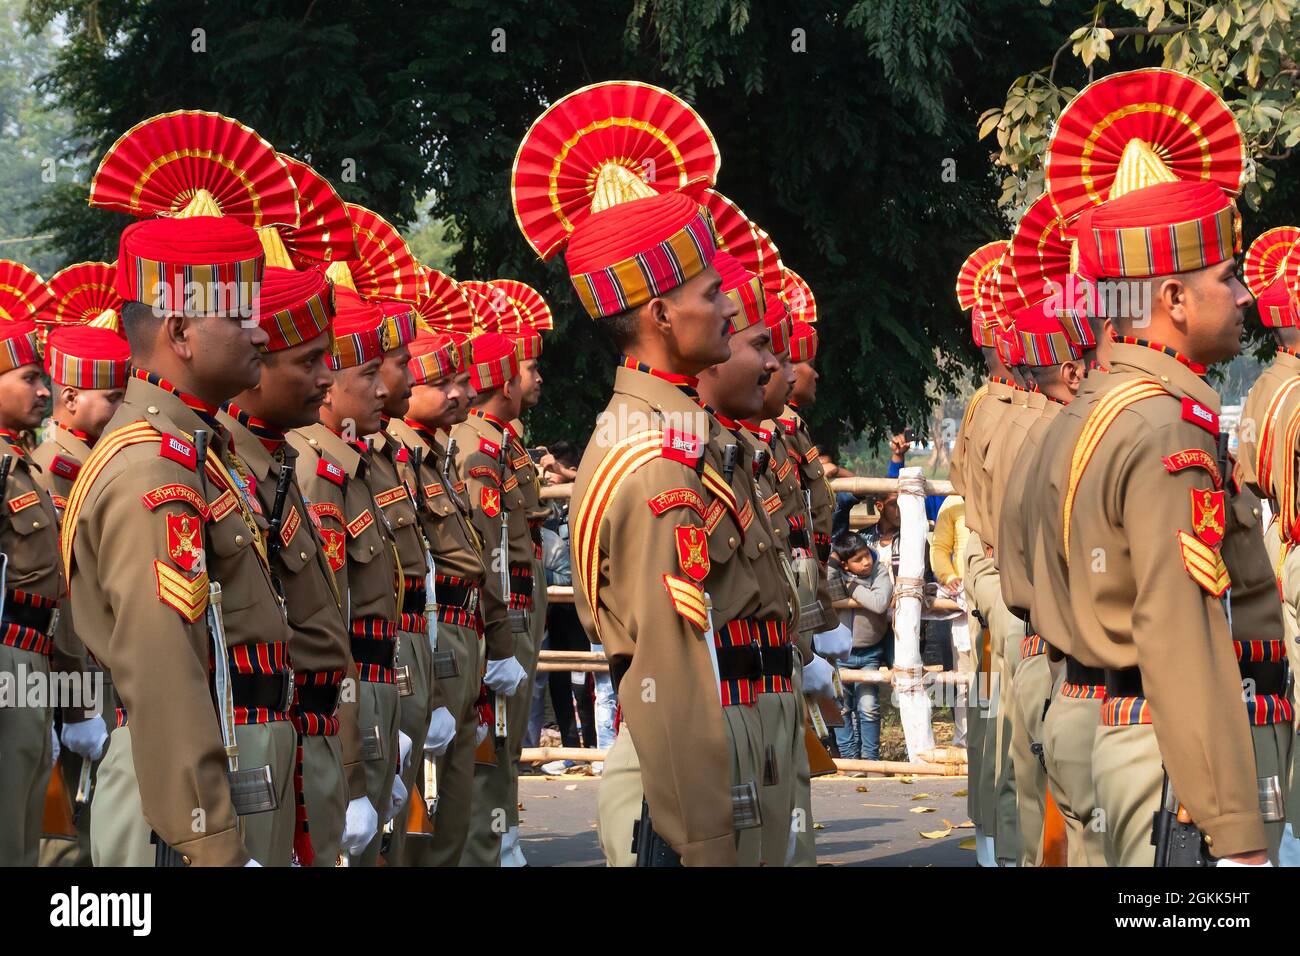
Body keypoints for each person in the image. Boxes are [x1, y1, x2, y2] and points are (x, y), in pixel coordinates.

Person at [1031, 96, 1283, 866]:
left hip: (1111, 726)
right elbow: (1180, 636)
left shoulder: (1096, 404)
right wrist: (1234, 829)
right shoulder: (1165, 427)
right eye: (1228, 277)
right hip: (1170, 754)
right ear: (1171, 299)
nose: (1244, 296)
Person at [65, 216, 293, 866]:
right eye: (241, 317)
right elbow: (164, 663)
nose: (259, 332)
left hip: (207, 772)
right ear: (182, 332)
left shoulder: (193, 450)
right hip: (175, 805)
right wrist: (210, 839)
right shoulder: (151, 468)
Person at [217, 266, 378, 866]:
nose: (324, 379)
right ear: (255, 365)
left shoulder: (274, 462)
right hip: (251, 729)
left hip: (304, 724)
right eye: (308, 362)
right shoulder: (221, 466)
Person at [698, 252, 831, 867]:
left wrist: (801, 648)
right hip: (724, 692)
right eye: (758, 345)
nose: (778, 367)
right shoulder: (682, 448)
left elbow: (780, 549)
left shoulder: (740, 446)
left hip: (765, 673)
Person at [290, 288, 410, 865]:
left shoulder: (350, 461)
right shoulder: (317, 471)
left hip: (376, 690)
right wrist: (357, 769)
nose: (384, 388)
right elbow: (330, 627)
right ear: (330, 386)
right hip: (348, 702)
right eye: (368, 373)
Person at [388, 325, 488, 866]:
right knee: (420, 801)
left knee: (456, 795)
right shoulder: (399, 457)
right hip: (431, 629)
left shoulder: (436, 454)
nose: (460, 392)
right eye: (442, 381)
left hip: (460, 630)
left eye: (461, 379)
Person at [30, 324, 127, 867]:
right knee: (65, 844)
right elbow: (60, 597)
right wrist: (77, 705)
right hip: (68, 682)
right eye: (111, 397)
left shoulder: (92, 463)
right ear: (69, 398)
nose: (121, 407)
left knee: (98, 831)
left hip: (98, 674)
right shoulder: (53, 473)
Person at [452, 331, 534, 867]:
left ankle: (501, 832)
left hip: (518, 609)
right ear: (504, 382)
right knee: (492, 741)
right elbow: (488, 547)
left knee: (507, 744)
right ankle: (488, 838)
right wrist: (500, 628)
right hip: (499, 613)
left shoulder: (501, 440)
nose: (536, 379)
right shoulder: (479, 448)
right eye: (527, 370)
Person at [362, 299, 438, 868]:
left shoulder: (386, 455)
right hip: (353, 676)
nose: (407, 377)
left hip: (399, 649)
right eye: (389, 364)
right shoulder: (321, 466)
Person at [0, 311, 66, 866]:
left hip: (33, 656)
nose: (44, 389)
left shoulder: (22, 464)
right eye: (27, 376)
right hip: (7, 655)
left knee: (22, 827)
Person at [827, 532, 893, 761]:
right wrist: (834, 565)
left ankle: (870, 759)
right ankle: (849, 759)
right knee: (841, 707)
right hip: (838, 654)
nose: (866, 562)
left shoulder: (879, 571)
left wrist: (852, 587)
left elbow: (879, 602)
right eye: (858, 559)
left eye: (867, 555)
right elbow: (825, 588)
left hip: (869, 653)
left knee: (868, 706)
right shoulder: (836, 574)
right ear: (845, 563)